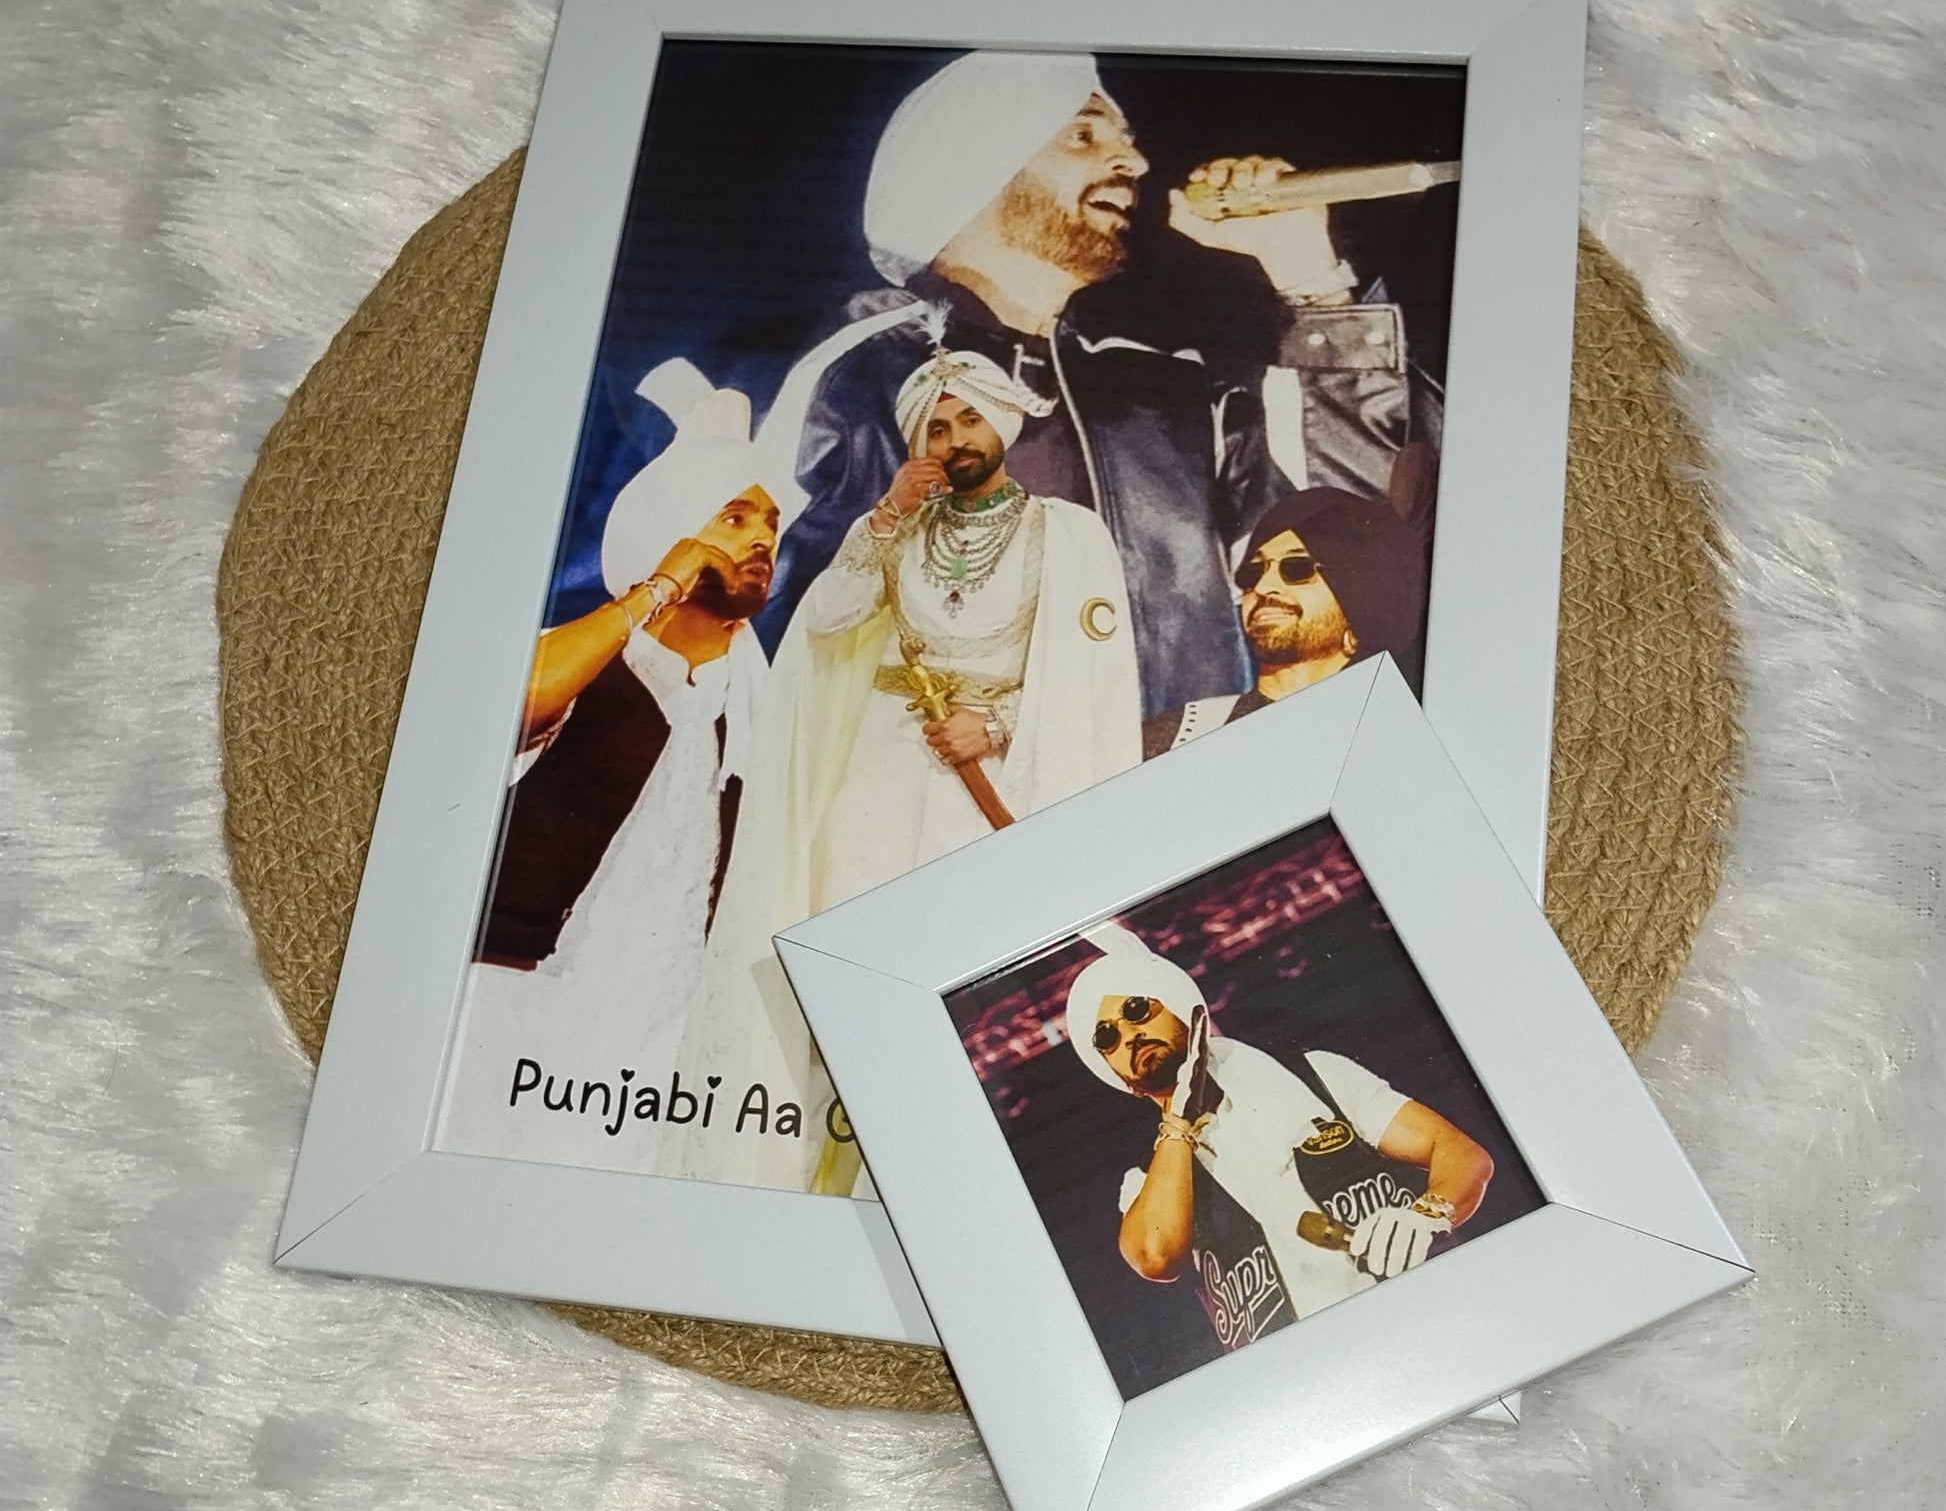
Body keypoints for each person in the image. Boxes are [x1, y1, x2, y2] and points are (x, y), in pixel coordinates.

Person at [756, 50, 1443, 719]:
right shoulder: (854, 373)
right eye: (1084, 135)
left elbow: (1357, 547)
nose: (1135, 162)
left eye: (1127, 138)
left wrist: (1309, 272)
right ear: (972, 169)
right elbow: (754, 639)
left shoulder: (1170, 393)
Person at [666, 347, 1141, 1194]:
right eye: (937, 427)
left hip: (994, 786)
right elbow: (827, 619)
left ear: (1003, 420)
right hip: (882, 775)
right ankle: (807, 1177)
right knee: (850, 970)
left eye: (969, 419)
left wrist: (993, 724)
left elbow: (1091, 679)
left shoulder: (1066, 532)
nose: (956, 439)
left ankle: (906, 1188)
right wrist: (885, 514)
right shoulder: (897, 527)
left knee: (951, 986)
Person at [439, 369, 783, 1171]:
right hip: (510, 1015)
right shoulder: (585, 664)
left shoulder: (754, 709)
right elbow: (510, 706)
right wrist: (658, 587)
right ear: (672, 530)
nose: (762, 539)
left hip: (651, 1057)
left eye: (769, 523)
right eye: (734, 517)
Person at [1065, 933, 1493, 1349]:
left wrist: (1427, 1213)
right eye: (1106, 1037)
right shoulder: (1147, 1183)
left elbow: (1461, 1154)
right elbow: (1155, 1256)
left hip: (1428, 1322)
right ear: (1119, 1077)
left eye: (1137, 1009)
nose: (1129, 1035)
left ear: (1181, 1008)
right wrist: (1178, 1123)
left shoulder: (1319, 1076)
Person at [1142, 486, 1430, 758]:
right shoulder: (1174, 737)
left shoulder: (1397, 745)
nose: (1263, 587)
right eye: (1254, 572)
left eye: (1297, 568)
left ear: (1360, 603)